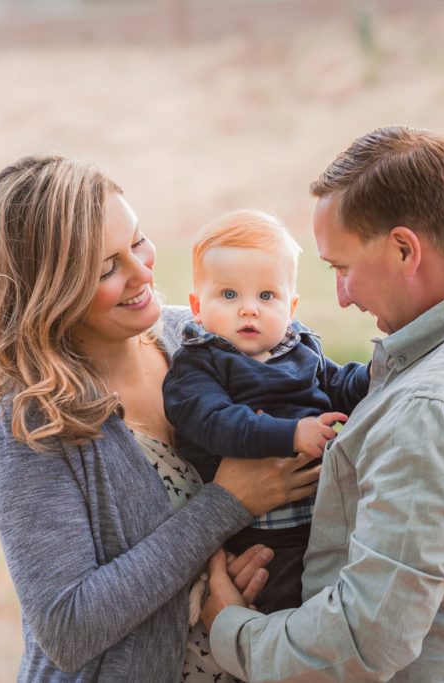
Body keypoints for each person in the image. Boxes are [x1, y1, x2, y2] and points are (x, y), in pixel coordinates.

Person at [202, 124, 444, 682]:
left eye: (342, 268)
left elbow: (360, 644)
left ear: (406, 248)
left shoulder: (433, 410)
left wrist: (232, 628)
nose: (342, 295)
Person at [0, 155, 322, 683]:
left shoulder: (200, 338)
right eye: (107, 268)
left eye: (137, 241)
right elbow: (67, 626)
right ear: (54, 289)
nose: (143, 273)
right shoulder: (31, 421)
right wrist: (225, 508)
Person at [162, 209, 370, 613]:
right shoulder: (199, 365)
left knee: (344, 602)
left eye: (266, 296)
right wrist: (292, 434)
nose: (249, 309)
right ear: (196, 306)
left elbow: (340, 385)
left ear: (290, 306)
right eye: (228, 295)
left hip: (325, 516)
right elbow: (216, 423)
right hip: (260, 535)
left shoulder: (300, 348)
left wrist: (377, 373)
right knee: (285, 610)